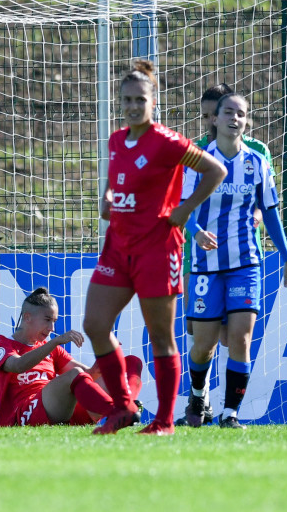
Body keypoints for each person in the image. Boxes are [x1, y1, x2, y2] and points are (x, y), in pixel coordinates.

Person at [82, 59, 227, 436]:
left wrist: (184, 209)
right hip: (119, 245)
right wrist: (108, 198)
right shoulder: (117, 140)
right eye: (127, 100)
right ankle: (123, 407)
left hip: (158, 249)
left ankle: (164, 421)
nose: (133, 106)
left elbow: (216, 171)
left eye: (140, 100)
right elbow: (117, 180)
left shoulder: (167, 141)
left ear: (153, 101)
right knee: (95, 324)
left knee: (160, 336)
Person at [181, 93, 287, 429]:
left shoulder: (256, 161)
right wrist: (197, 232)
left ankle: (230, 413)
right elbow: (182, 205)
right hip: (205, 264)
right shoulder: (198, 160)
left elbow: (271, 213)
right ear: (214, 119)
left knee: (241, 339)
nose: (235, 118)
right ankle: (198, 393)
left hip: (246, 262)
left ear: (246, 122)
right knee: (202, 346)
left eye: (241, 114)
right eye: (228, 112)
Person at [0, 287, 143, 427]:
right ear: (27, 317)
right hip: (23, 416)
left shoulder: (52, 349)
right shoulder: (1, 347)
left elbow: (88, 375)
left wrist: (105, 357)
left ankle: (126, 408)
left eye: (54, 321)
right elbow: (18, 365)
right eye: (47, 320)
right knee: (74, 374)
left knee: (130, 362)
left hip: (62, 413)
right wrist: (55, 342)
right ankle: (116, 412)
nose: (52, 328)